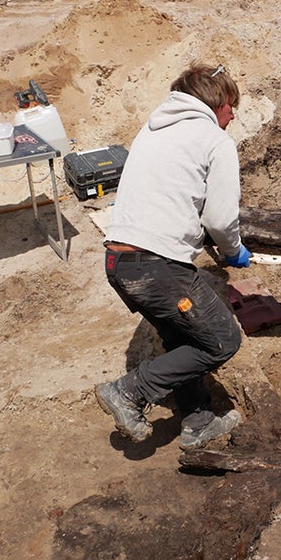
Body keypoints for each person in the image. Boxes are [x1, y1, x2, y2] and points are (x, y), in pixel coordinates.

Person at [95, 63, 251, 449]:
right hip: (156, 264)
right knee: (222, 340)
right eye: (231, 106)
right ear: (216, 102)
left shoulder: (153, 129)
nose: (233, 115)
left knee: (184, 338)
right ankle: (128, 392)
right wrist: (233, 249)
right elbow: (220, 218)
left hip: (119, 260)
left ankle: (199, 421)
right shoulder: (215, 140)